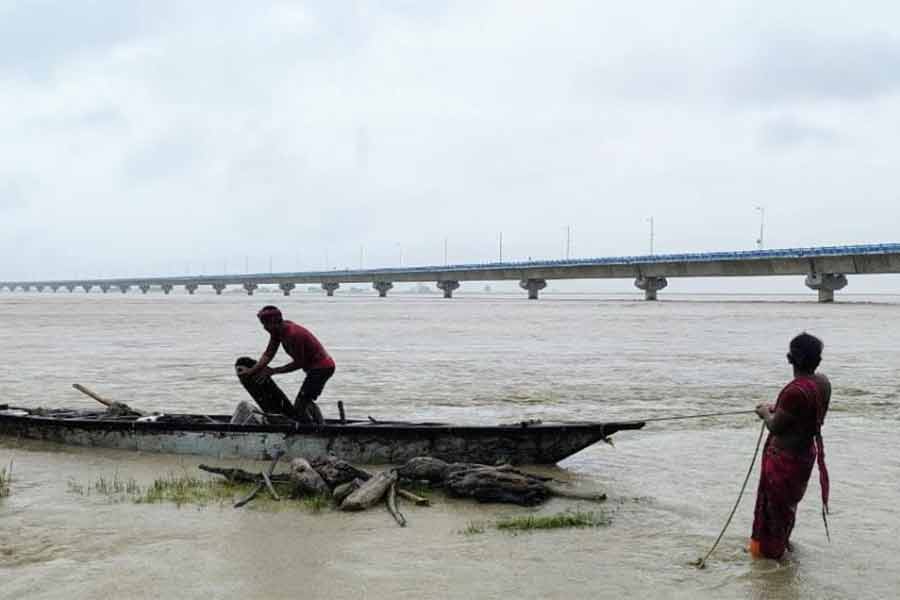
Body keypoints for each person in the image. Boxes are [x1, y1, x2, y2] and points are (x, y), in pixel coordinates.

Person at [750, 332, 831, 560]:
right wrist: (778, 407)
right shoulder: (823, 383)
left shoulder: (794, 391)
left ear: (790, 358)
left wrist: (765, 413)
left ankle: (770, 556)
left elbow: (775, 427)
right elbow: (799, 413)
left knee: (774, 510)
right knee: (787, 506)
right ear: (818, 360)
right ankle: (781, 546)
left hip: (784, 460)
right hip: (804, 456)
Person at [236, 305, 335, 424]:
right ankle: (318, 425)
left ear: (274, 322)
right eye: (263, 324)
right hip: (314, 368)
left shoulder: (293, 335)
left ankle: (313, 431)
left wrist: (273, 371)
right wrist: (251, 371)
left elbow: (299, 363)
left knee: (301, 404)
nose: (264, 328)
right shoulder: (277, 331)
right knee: (305, 400)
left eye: (266, 324)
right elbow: (269, 353)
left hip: (322, 368)